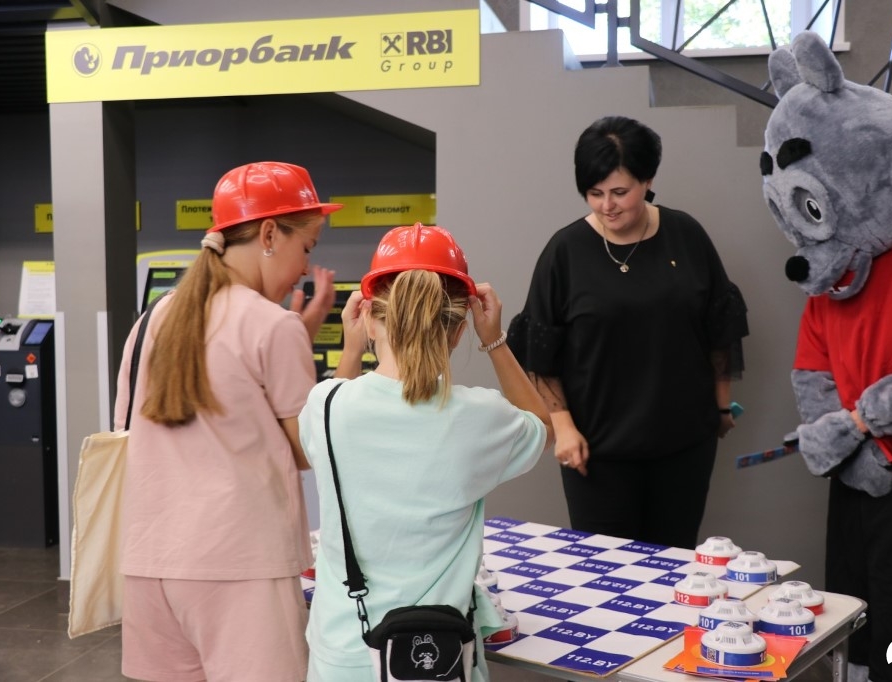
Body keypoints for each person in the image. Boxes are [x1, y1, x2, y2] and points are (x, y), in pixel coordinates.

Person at [113, 161, 354, 682]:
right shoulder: (274, 325)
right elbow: (310, 449)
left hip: (148, 564)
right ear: (269, 234)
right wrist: (351, 354)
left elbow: (131, 431)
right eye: (306, 247)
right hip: (240, 565)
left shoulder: (152, 319)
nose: (304, 266)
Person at [299, 222, 555, 682]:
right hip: (439, 657)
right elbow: (541, 426)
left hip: (343, 652)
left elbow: (336, 405)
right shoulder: (479, 416)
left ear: (370, 318)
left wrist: (352, 350)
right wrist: (495, 341)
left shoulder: (326, 405)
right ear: (458, 332)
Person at [507, 115, 748, 549]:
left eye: (620, 192)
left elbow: (720, 326)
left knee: (675, 563)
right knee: (605, 570)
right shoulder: (565, 251)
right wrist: (563, 427)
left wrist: (720, 404)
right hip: (596, 451)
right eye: (595, 193)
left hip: (685, 444)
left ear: (648, 180)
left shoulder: (686, 235)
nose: (607, 206)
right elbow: (540, 349)